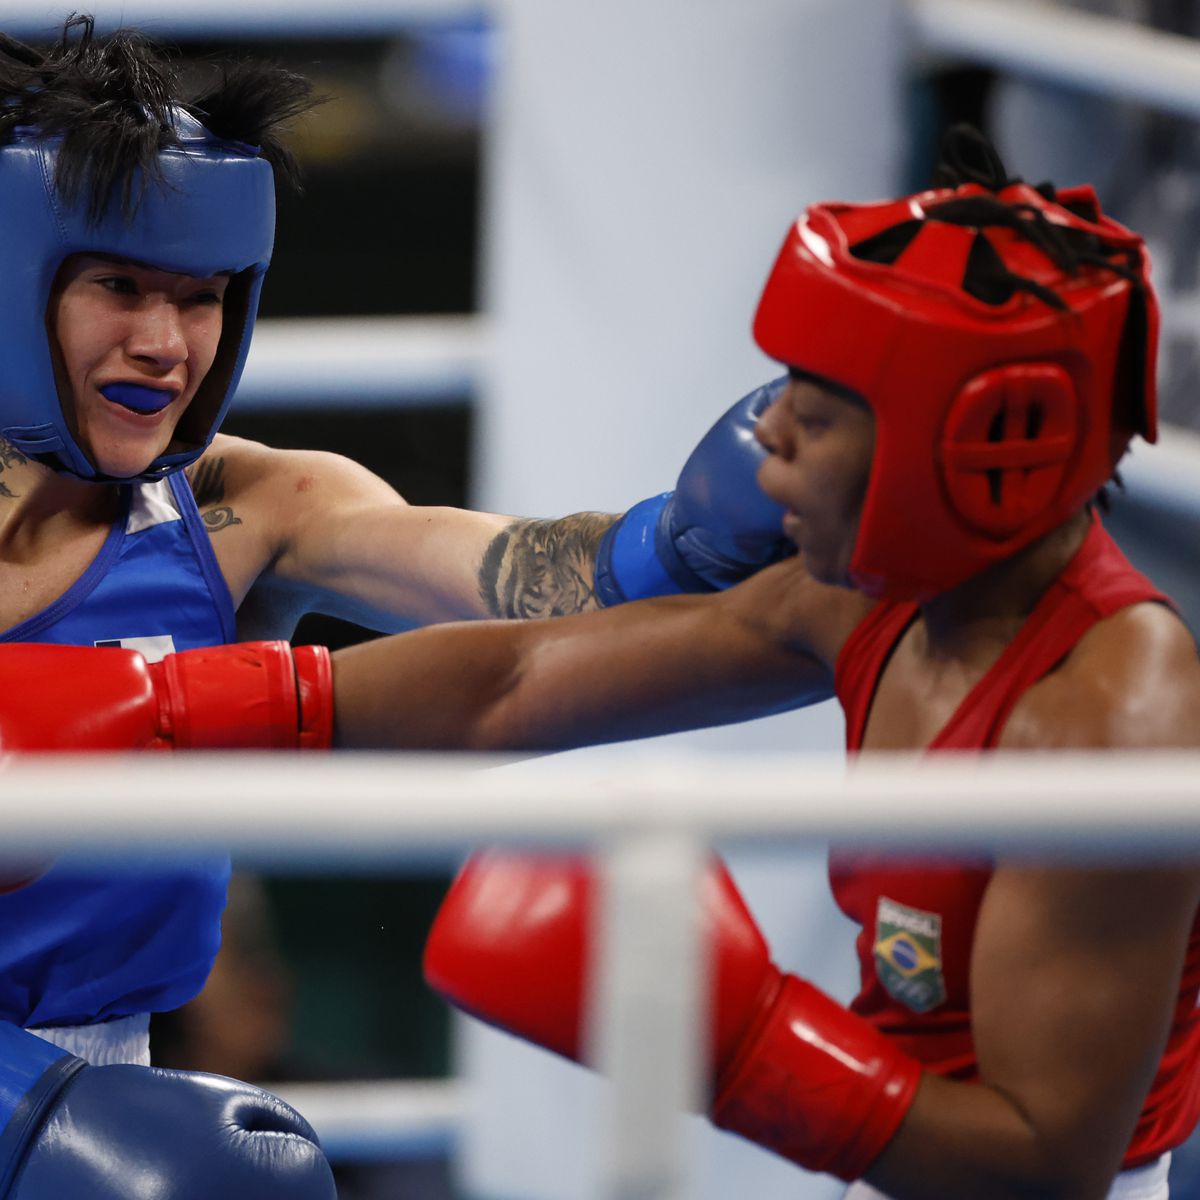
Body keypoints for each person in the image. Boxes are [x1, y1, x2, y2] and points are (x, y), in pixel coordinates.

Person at [0, 14, 791, 1195]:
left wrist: (679, 542)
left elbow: (517, 588)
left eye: (202, 296)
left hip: (106, 1095)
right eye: (118, 286)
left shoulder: (244, 510)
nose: (167, 345)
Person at [419, 130, 1200, 1200]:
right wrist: (174, 711)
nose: (767, 433)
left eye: (817, 411)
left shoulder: (1113, 713)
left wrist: (732, 1041)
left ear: (971, 452)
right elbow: (516, 681)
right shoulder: (872, 599)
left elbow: (1046, 1163)